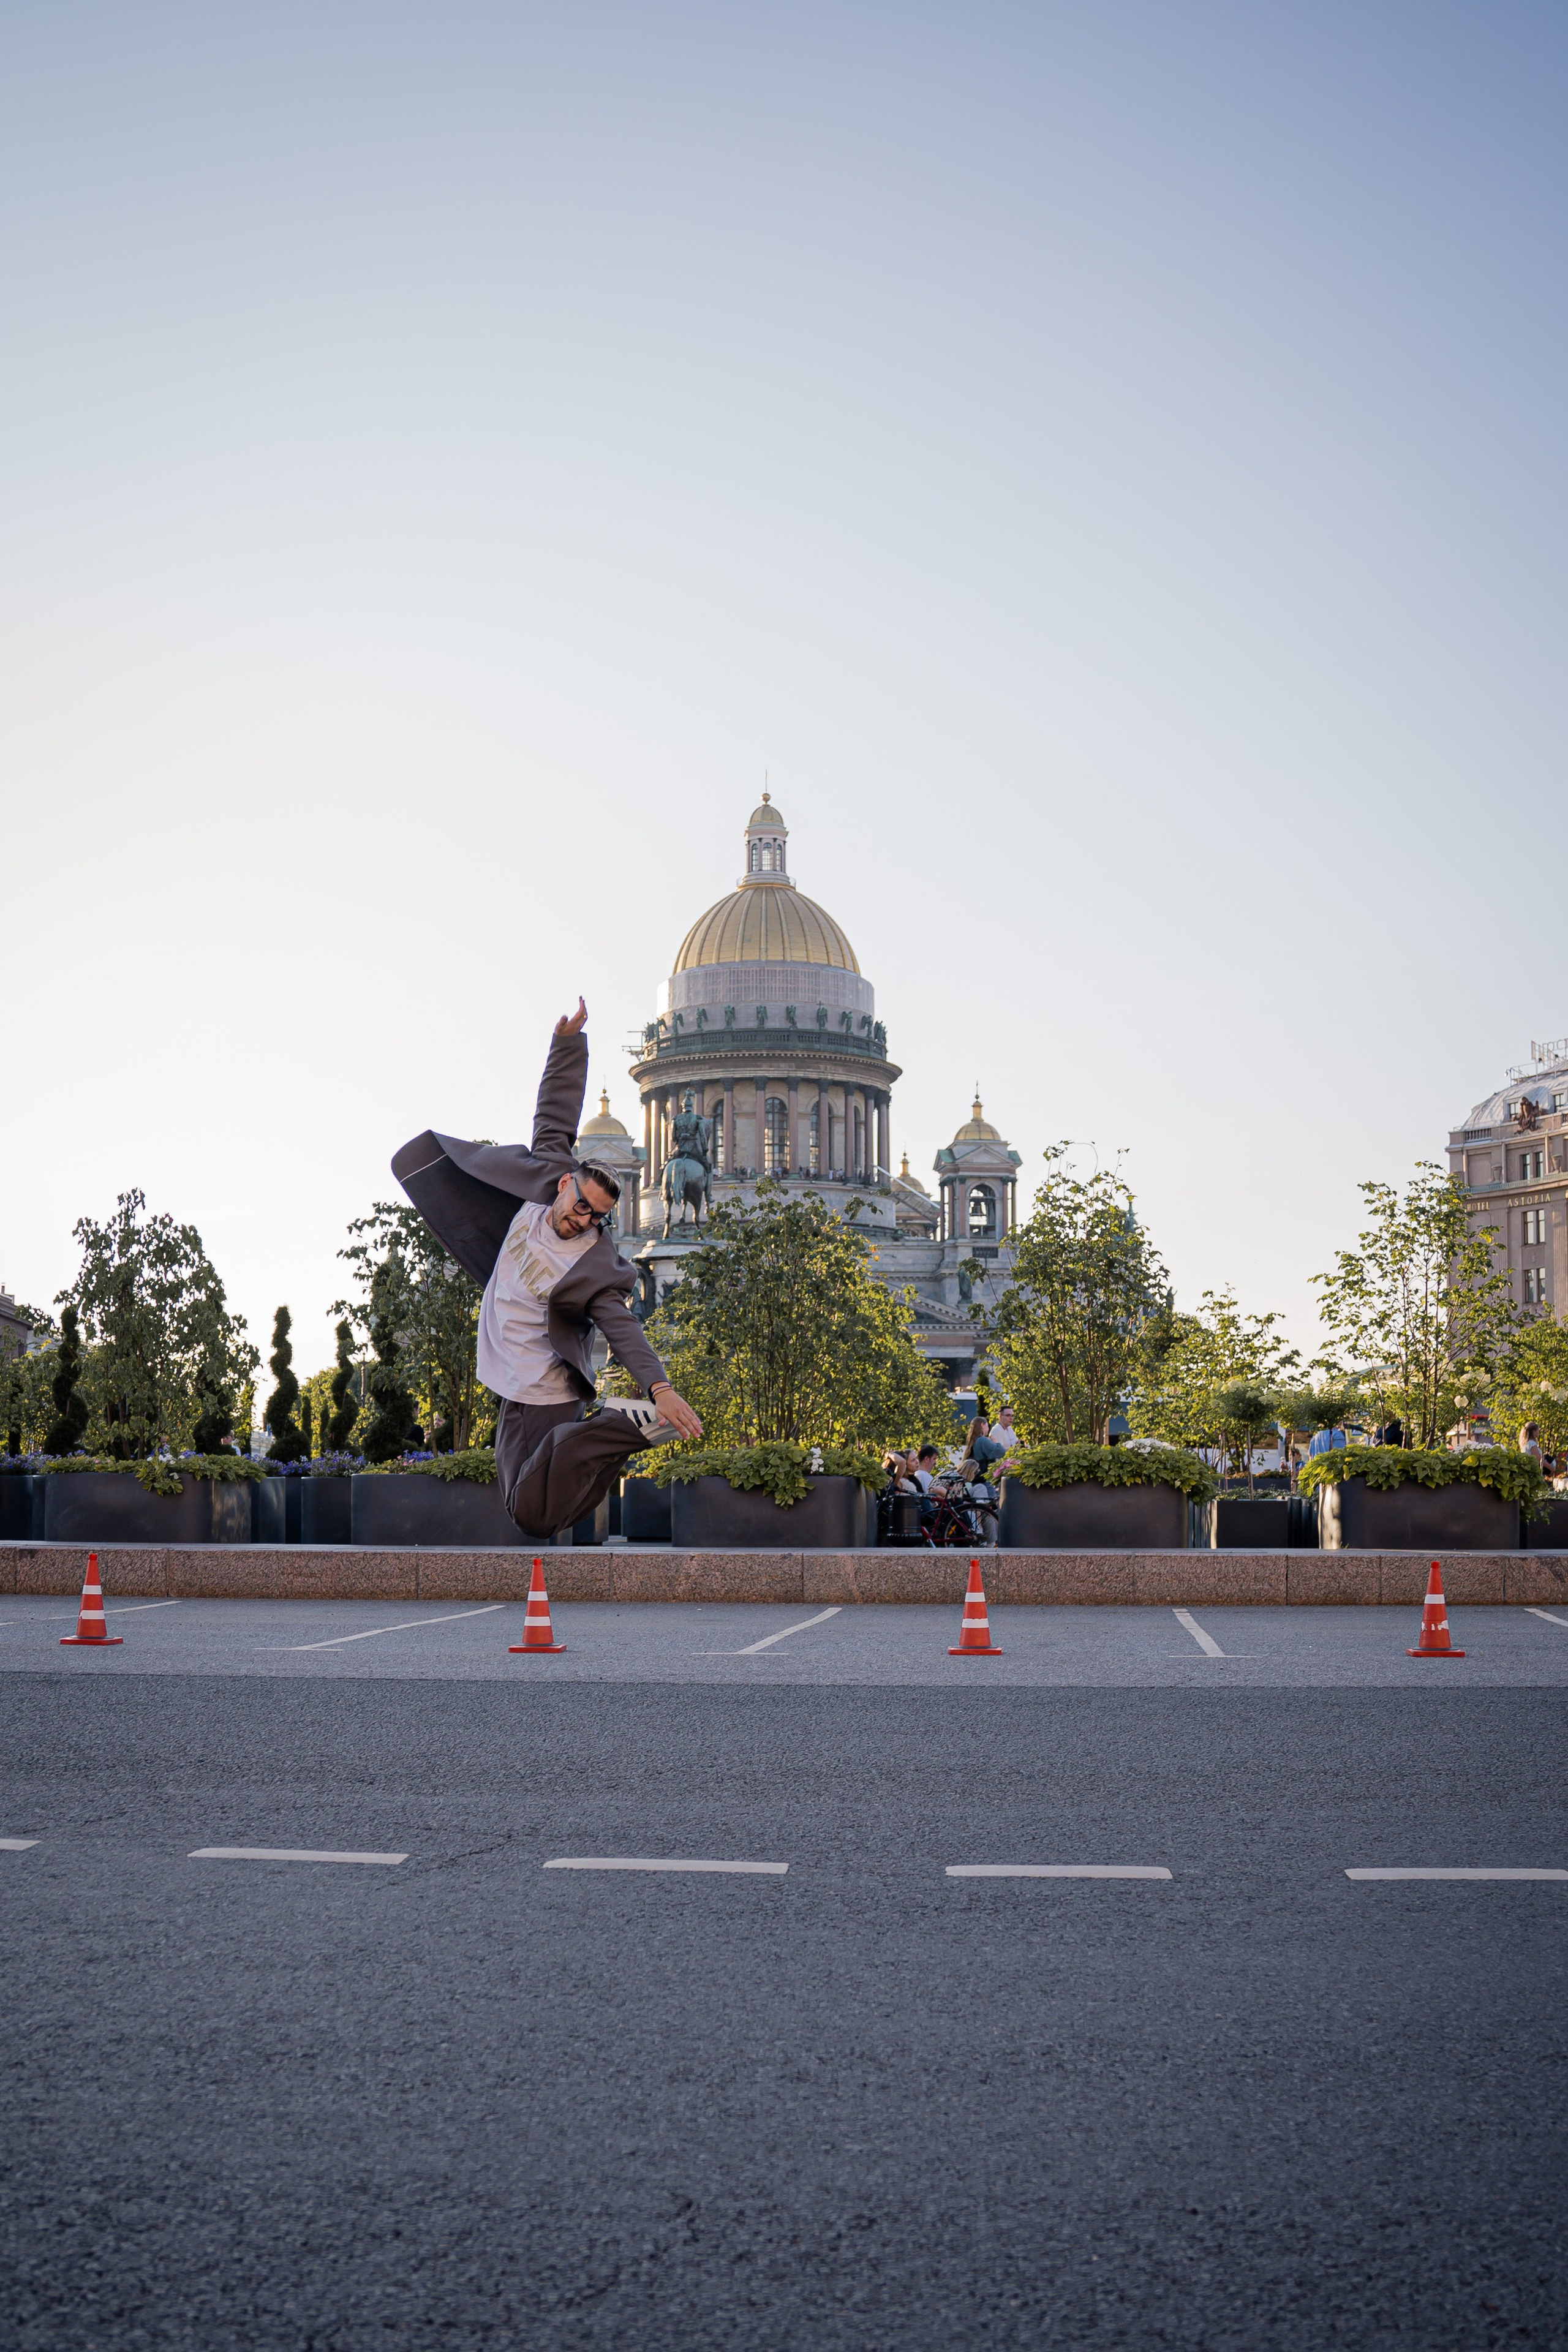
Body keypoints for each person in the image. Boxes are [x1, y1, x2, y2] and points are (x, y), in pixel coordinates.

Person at [393, 998, 702, 1539]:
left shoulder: (597, 1263)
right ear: (565, 1185)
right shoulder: (539, 1183)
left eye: (598, 1218)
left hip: (549, 1394)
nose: (583, 1222)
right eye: (581, 1206)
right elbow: (554, 1116)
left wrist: (660, 1388)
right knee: (538, 1512)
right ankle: (625, 1432)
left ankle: (623, 1423)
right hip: (510, 1385)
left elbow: (622, 1328)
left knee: (535, 1514)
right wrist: (567, 1045)